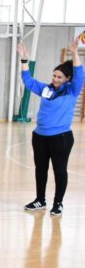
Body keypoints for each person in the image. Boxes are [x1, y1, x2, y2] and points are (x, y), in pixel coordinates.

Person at [18, 39, 83, 216]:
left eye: (59, 77)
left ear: (68, 79)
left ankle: (58, 203)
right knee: (40, 169)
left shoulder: (72, 90)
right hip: (39, 136)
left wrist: (75, 52)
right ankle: (40, 200)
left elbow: (79, 72)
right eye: (54, 76)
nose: (55, 79)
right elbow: (28, 81)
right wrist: (24, 60)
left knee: (59, 170)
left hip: (60, 138)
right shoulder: (46, 89)